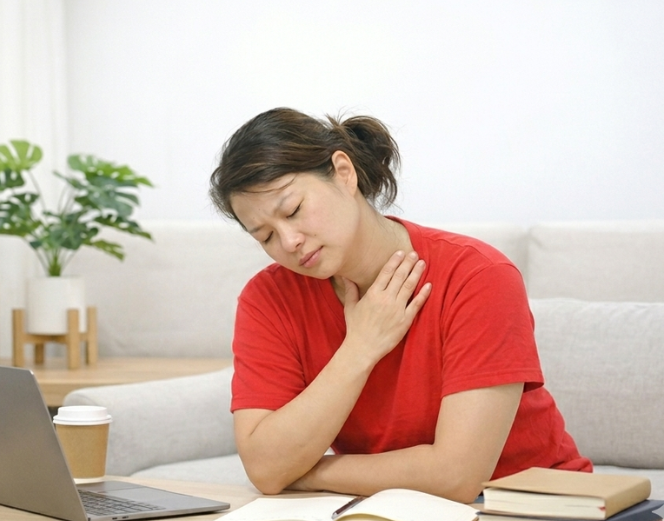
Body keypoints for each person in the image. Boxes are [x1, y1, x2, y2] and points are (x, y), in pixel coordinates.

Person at [208, 107, 591, 503]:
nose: (289, 242)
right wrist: (360, 348)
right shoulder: (269, 300)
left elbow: (457, 477)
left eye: (293, 211)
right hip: (392, 505)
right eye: (266, 236)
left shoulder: (478, 276)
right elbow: (266, 468)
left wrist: (307, 473)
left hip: (538, 504)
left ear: (344, 173)